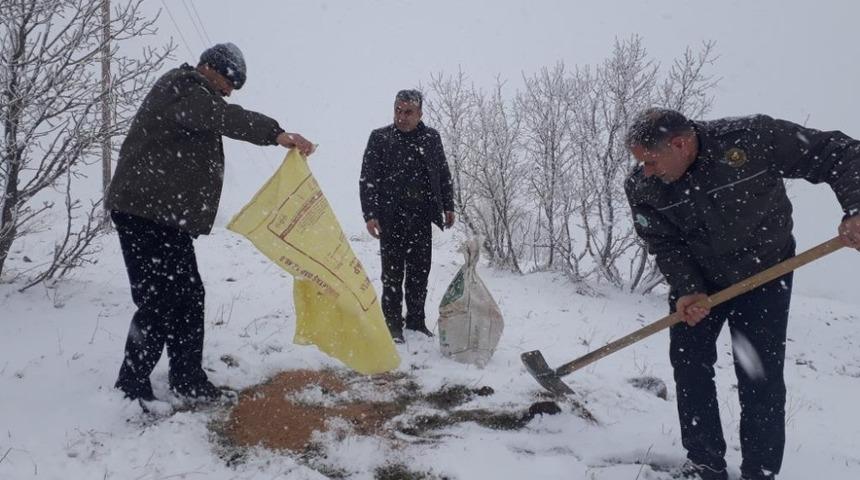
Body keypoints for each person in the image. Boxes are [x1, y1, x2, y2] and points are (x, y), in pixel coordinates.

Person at [624, 108, 860, 480]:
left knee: (759, 375)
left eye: (651, 161)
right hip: (700, 283)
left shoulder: (751, 137)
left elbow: (837, 152)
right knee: (690, 367)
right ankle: (704, 463)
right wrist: (688, 289)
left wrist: (857, 206)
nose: (647, 171)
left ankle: (759, 472)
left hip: (765, 275)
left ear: (680, 143)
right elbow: (664, 242)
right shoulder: (643, 186)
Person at [106, 43, 315, 405]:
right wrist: (276, 133)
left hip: (162, 217)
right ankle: (131, 385)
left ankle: (187, 378)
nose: (229, 91)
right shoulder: (184, 87)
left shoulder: (192, 93)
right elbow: (224, 117)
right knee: (159, 300)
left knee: (187, 296)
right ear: (211, 68)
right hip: (143, 213)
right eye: (229, 81)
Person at [359, 89, 455, 343]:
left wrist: (449, 206)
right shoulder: (380, 138)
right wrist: (370, 214)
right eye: (398, 111)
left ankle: (416, 322)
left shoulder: (431, 139)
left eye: (408, 112)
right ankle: (392, 326)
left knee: (419, 273)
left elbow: (443, 174)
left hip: (421, 218)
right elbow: (368, 178)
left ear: (420, 113)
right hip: (391, 218)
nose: (402, 117)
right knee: (391, 275)